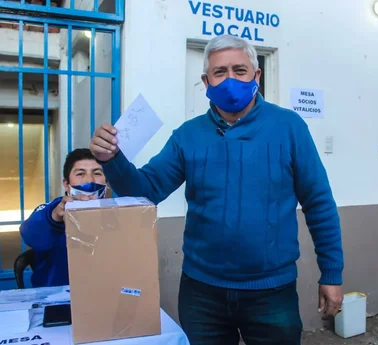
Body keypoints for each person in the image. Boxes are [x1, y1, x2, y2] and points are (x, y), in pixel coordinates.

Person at [90, 35, 344, 345]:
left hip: (271, 295)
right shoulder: (188, 136)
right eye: (220, 72)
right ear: (205, 81)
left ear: (257, 76)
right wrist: (111, 159)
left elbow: (319, 204)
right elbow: (147, 189)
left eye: (240, 70)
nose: (230, 80)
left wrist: (331, 273)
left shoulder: (289, 128)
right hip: (202, 294)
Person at [20, 148, 108, 288]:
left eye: (97, 173)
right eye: (80, 174)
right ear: (66, 184)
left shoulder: (116, 213)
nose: (90, 180)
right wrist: (55, 218)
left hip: (101, 295)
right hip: (56, 300)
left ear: (106, 182)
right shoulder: (53, 211)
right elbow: (30, 235)